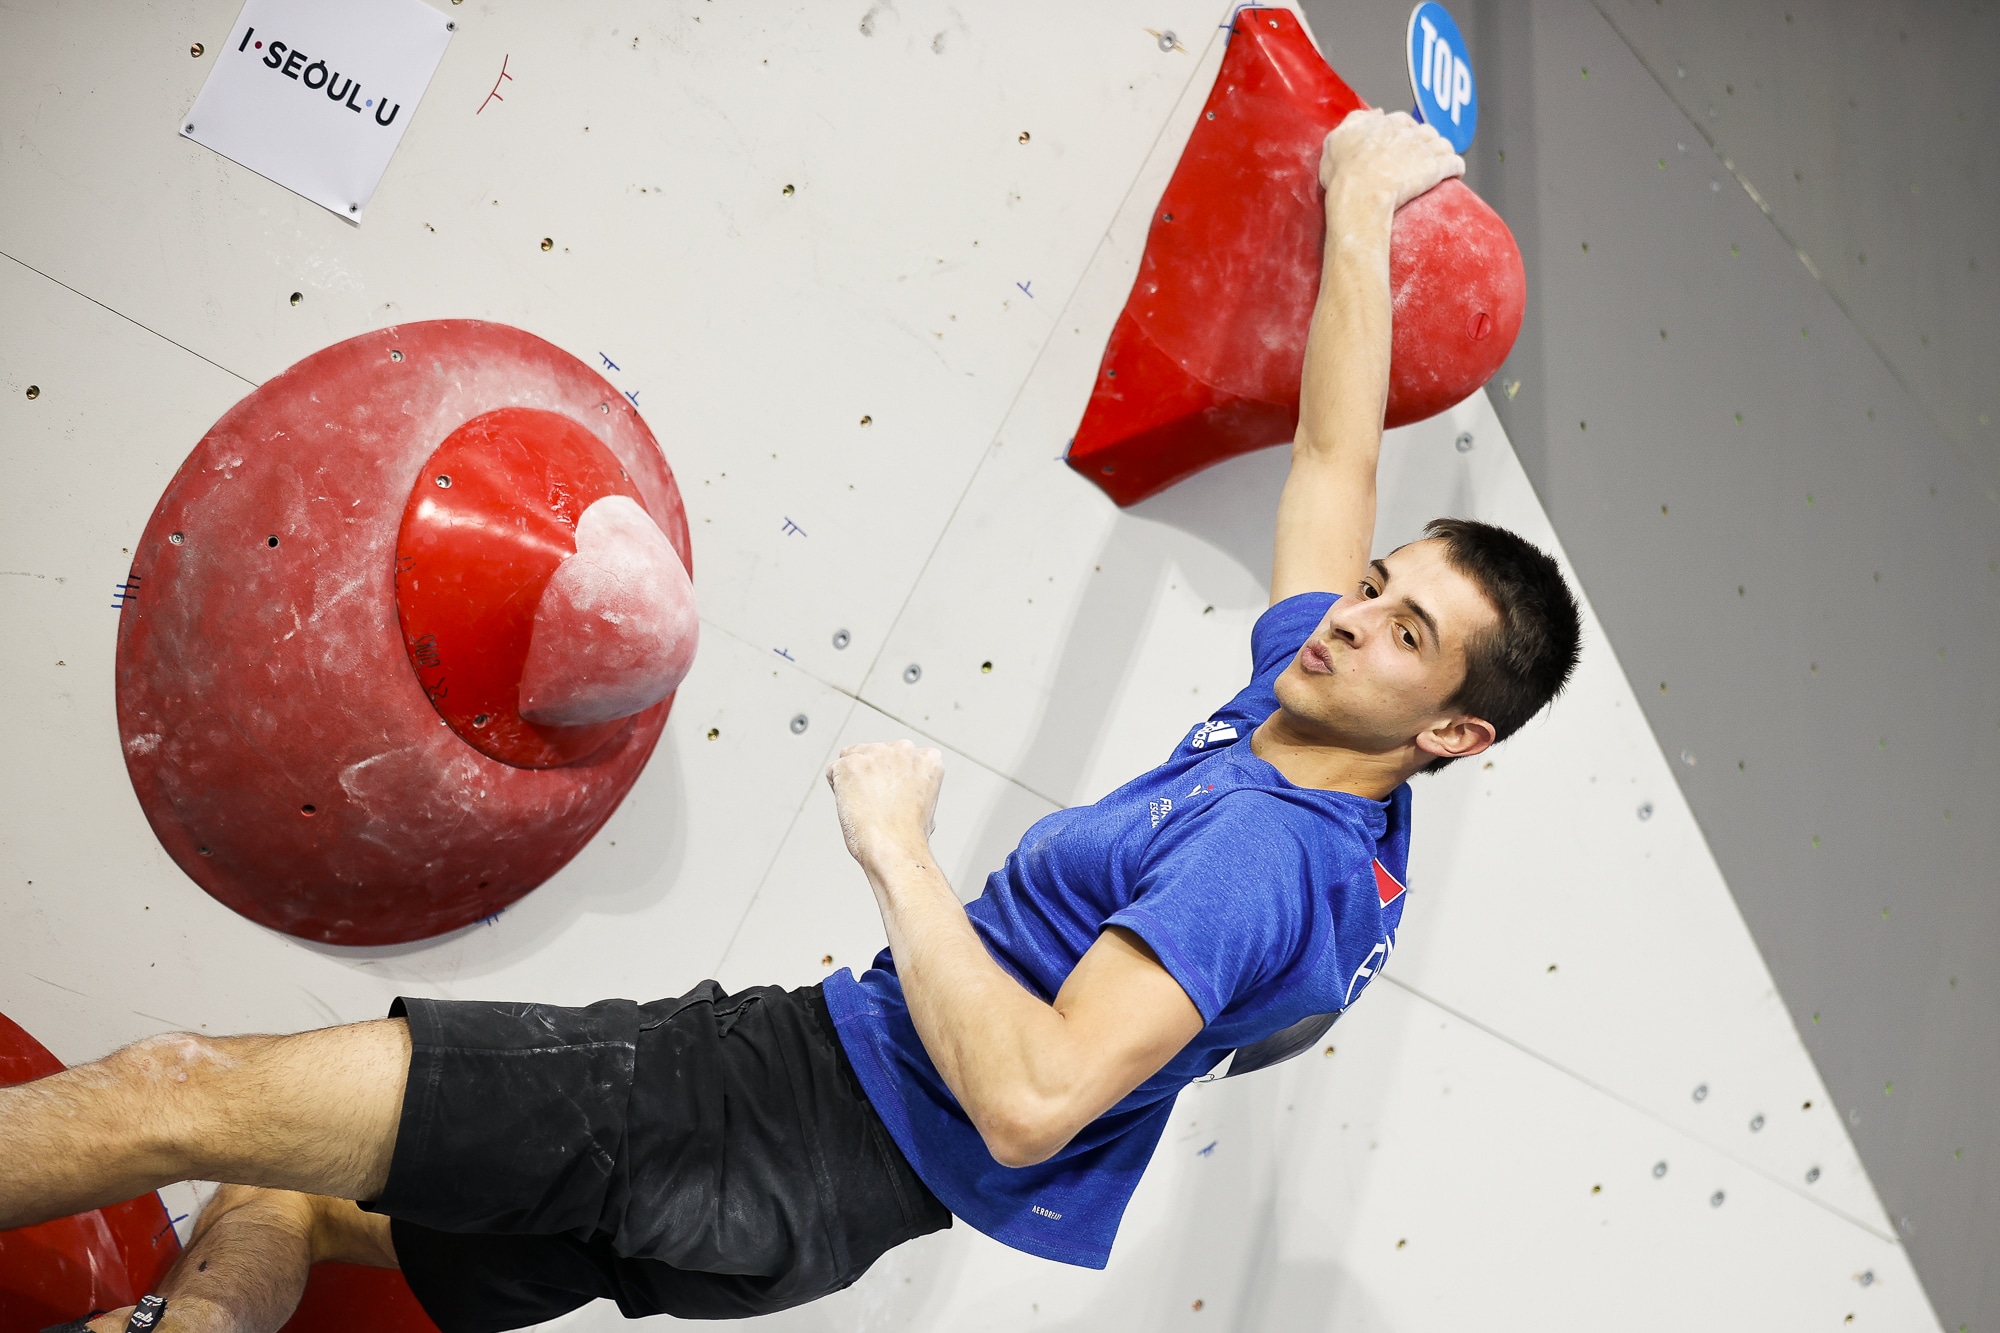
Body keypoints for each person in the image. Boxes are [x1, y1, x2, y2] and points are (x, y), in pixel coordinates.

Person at [6, 109, 1579, 1333]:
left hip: (775, 1113)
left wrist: (899, 855)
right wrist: (1359, 208)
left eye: (1403, 632)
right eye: (1376, 590)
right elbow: (1331, 469)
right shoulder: (1338, 750)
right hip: (806, 1184)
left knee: (181, 1090)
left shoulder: (1261, 852)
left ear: (1455, 735)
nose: (1350, 618)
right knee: (288, 1203)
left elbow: (1035, 1099)